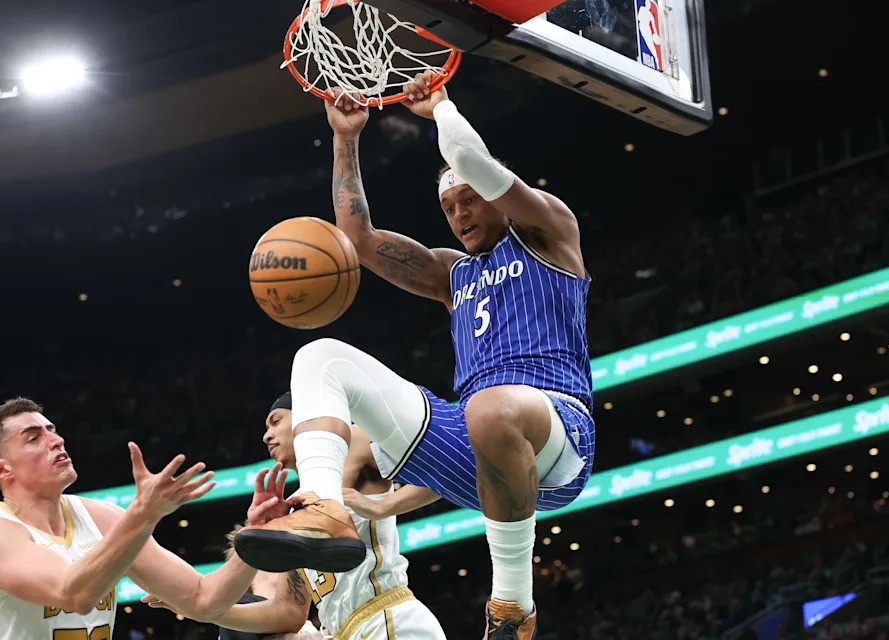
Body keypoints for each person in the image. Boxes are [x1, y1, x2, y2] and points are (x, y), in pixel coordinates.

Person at [235, 75, 595, 640]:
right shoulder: (453, 274)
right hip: (471, 439)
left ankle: (512, 607)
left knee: (491, 408)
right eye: (449, 206)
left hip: (558, 436)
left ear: (499, 195)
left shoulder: (552, 233)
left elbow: (472, 161)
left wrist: (443, 106)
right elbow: (356, 235)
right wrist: (345, 139)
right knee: (320, 355)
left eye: (470, 199)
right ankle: (325, 507)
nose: (460, 213)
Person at [145, 392, 446, 640]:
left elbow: (452, 466)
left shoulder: (351, 443)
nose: (266, 436)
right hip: (346, 632)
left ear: (304, 418)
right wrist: (202, 607)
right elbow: (288, 613)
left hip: (387, 619)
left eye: (276, 421)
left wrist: (383, 506)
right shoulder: (298, 513)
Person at [0, 396, 295, 639]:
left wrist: (257, 533)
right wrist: (143, 515)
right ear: (4, 470)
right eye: (34, 438)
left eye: (52, 430)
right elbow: (73, 593)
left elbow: (202, 599)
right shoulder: (4, 530)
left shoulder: (101, 518)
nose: (57, 440)